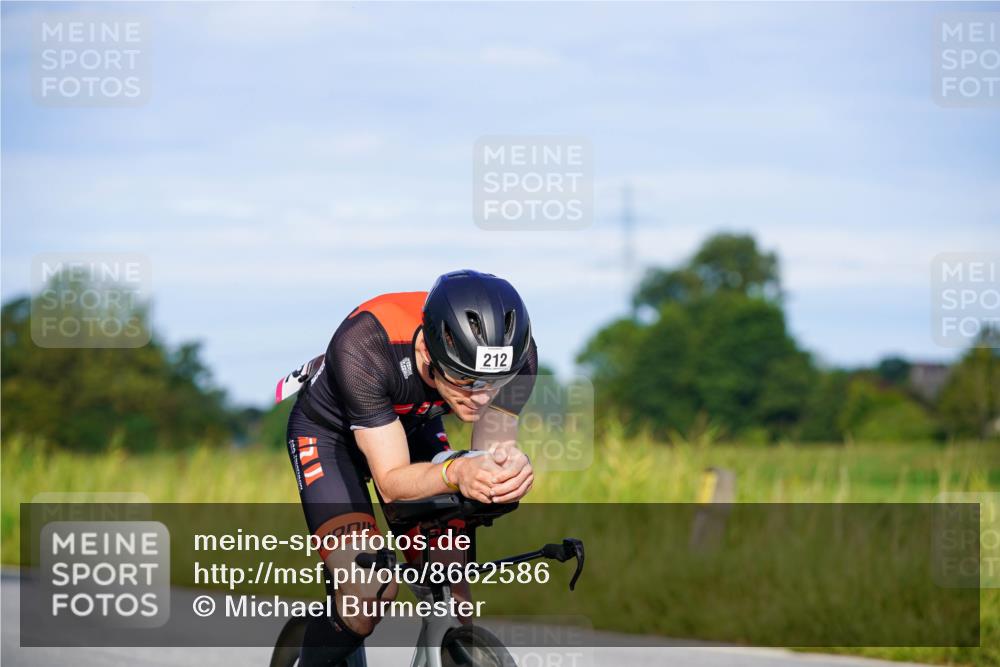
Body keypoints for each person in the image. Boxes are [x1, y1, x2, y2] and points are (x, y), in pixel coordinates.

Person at [278, 269, 538, 666]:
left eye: (494, 381)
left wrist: (506, 474)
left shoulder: (518, 356)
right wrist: (455, 473)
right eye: (465, 380)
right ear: (428, 353)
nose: (482, 397)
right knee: (368, 590)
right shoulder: (364, 344)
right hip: (329, 437)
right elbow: (392, 483)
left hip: (412, 427)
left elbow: (490, 454)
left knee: (454, 595)